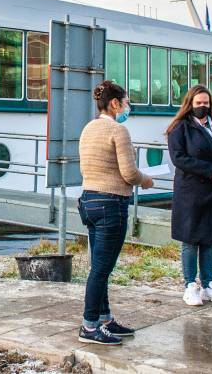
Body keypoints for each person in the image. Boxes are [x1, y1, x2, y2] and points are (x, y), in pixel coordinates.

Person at [76, 79, 156, 346]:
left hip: (89, 201)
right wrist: (146, 180)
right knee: (100, 269)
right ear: (114, 104)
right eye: (126, 103)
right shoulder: (118, 130)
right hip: (111, 204)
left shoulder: (88, 128)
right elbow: (129, 173)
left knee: (100, 266)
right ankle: (89, 326)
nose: (128, 108)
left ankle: (105, 319)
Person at [166, 84, 212, 307]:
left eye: (206, 103)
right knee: (190, 240)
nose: (203, 107)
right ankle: (189, 285)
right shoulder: (180, 128)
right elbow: (179, 158)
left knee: (209, 240)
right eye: (198, 104)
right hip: (191, 191)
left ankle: (208, 283)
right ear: (190, 105)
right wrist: (211, 171)